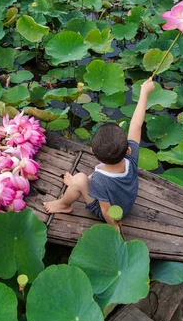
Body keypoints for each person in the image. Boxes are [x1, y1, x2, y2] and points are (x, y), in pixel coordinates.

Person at [43, 78, 156, 230]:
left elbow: (106, 210)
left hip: (113, 211)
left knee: (81, 179)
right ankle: (74, 185)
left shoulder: (99, 180)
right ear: (127, 149)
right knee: (86, 179)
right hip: (127, 202)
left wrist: (115, 227)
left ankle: (64, 204)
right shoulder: (131, 156)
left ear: (93, 153)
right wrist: (143, 94)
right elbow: (136, 124)